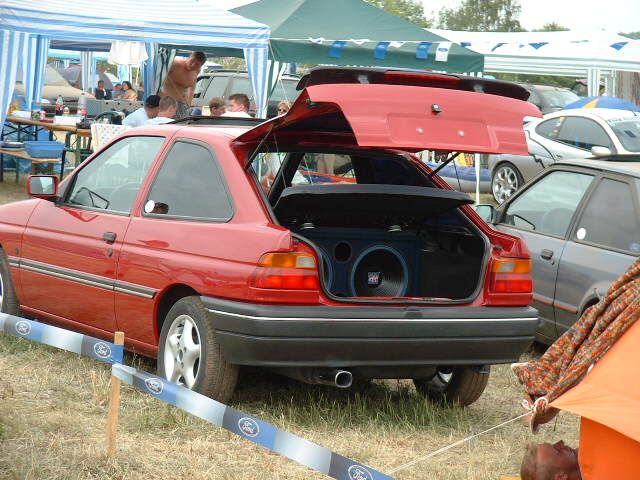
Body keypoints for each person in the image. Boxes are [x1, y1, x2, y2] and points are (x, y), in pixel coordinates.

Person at [160, 51, 207, 120]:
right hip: (168, 103)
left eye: (197, 64)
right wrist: (160, 95)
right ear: (189, 57)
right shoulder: (174, 63)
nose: (193, 65)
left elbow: (192, 87)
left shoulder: (197, 71)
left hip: (183, 105)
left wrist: (189, 103)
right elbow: (157, 75)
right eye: (192, 61)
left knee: (181, 126)